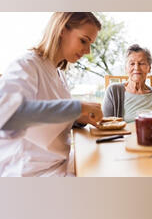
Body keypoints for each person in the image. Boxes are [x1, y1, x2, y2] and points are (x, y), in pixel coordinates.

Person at [0, 12, 103, 177]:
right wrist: (77, 108)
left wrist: (77, 118)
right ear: (62, 29)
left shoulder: (58, 73)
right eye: (83, 41)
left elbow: (47, 117)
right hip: (31, 172)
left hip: (58, 163)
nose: (88, 51)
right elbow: (8, 115)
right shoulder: (27, 65)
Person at [103, 44, 152, 122]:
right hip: (125, 134)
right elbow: (106, 125)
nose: (136, 68)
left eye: (141, 63)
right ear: (126, 68)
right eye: (132, 64)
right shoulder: (113, 91)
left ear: (149, 68)